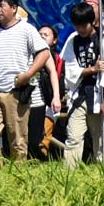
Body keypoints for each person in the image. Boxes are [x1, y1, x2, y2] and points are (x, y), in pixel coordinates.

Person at [0, 0, 45, 162]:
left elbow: (44, 53)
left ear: (14, 7)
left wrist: (28, 74)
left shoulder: (27, 29)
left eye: (1, 6)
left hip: (16, 89)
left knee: (17, 139)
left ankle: (17, 176)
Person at [58, 0, 104, 167]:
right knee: (73, 137)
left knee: (101, 141)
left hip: (100, 94)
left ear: (91, 22)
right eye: (77, 26)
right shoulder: (73, 40)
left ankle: (102, 175)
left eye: (83, 26)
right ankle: (68, 175)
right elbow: (71, 69)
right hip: (80, 95)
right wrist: (92, 69)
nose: (80, 30)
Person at [27, 22, 65, 159]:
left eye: (46, 35)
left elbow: (56, 76)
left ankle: (41, 159)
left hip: (44, 101)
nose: (42, 37)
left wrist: (56, 96)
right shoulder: (29, 52)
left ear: (54, 40)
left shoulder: (54, 58)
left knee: (40, 137)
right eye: (40, 34)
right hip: (26, 100)